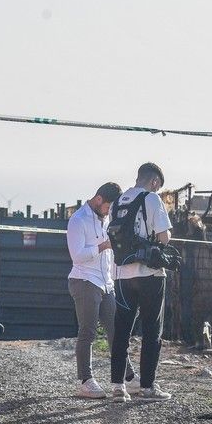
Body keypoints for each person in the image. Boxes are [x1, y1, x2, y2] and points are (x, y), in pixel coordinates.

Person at [109, 162, 173, 401]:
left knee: (122, 331)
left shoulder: (118, 201)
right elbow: (164, 238)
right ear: (155, 182)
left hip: (122, 275)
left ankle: (117, 387)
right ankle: (147, 387)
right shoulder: (152, 199)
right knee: (151, 331)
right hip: (150, 276)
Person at [66, 182, 135, 398]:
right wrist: (104, 246)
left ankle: (129, 378)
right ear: (98, 200)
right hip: (85, 281)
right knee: (88, 331)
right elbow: (77, 255)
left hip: (106, 283)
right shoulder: (78, 220)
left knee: (117, 330)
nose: (109, 212)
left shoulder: (107, 219)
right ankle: (85, 380)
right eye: (108, 207)